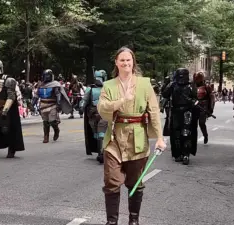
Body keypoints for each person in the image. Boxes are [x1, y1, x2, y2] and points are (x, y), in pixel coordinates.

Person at [97, 47, 166, 225]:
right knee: (112, 181)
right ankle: (111, 222)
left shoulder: (144, 84)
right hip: (114, 139)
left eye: (129, 60)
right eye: (122, 60)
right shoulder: (109, 85)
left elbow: (154, 111)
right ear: (116, 63)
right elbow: (102, 107)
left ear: (133, 62)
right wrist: (122, 101)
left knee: (135, 182)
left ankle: (133, 220)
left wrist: (159, 137)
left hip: (138, 138)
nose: (126, 63)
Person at [162, 68, 198, 165]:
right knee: (176, 134)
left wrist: (193, 102)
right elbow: (165, 94)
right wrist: (166, 83)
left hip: (187, 112)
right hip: (176, 111)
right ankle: (178, 154)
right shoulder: (173, 85)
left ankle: (186, 154)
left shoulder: (191, 85)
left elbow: (196, 98)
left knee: (186, 133)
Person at [80, 69, 108, 164]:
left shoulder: (108, 88)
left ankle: (102, 153)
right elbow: (84, 99)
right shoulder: (90, 89)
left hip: (104, 114)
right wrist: (81, 106)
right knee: (96, 135)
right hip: (92, 115)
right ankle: (100, 151)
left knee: (101, 134)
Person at [37, 69, 71, 143]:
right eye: (45, 75)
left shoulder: (55, 84)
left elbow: (58, 94)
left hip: (52, 104)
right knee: (45, 122)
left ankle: (56, 130)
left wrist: (58, 104)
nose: (47, 77)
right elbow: (36, 95)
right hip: (43, 105)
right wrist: (32, 104)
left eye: (48, 75)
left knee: (52, 121)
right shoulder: (40, 85)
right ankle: (46, 136)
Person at [193, 72, 215, 144]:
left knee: (202, 123)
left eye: (198, 78)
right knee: (193, 124)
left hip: (203, 107)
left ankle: (205, 135)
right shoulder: (192, 86)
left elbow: (212, 98)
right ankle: (193, 138)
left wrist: (211, 108)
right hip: (194, 106)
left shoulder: (207, 87)